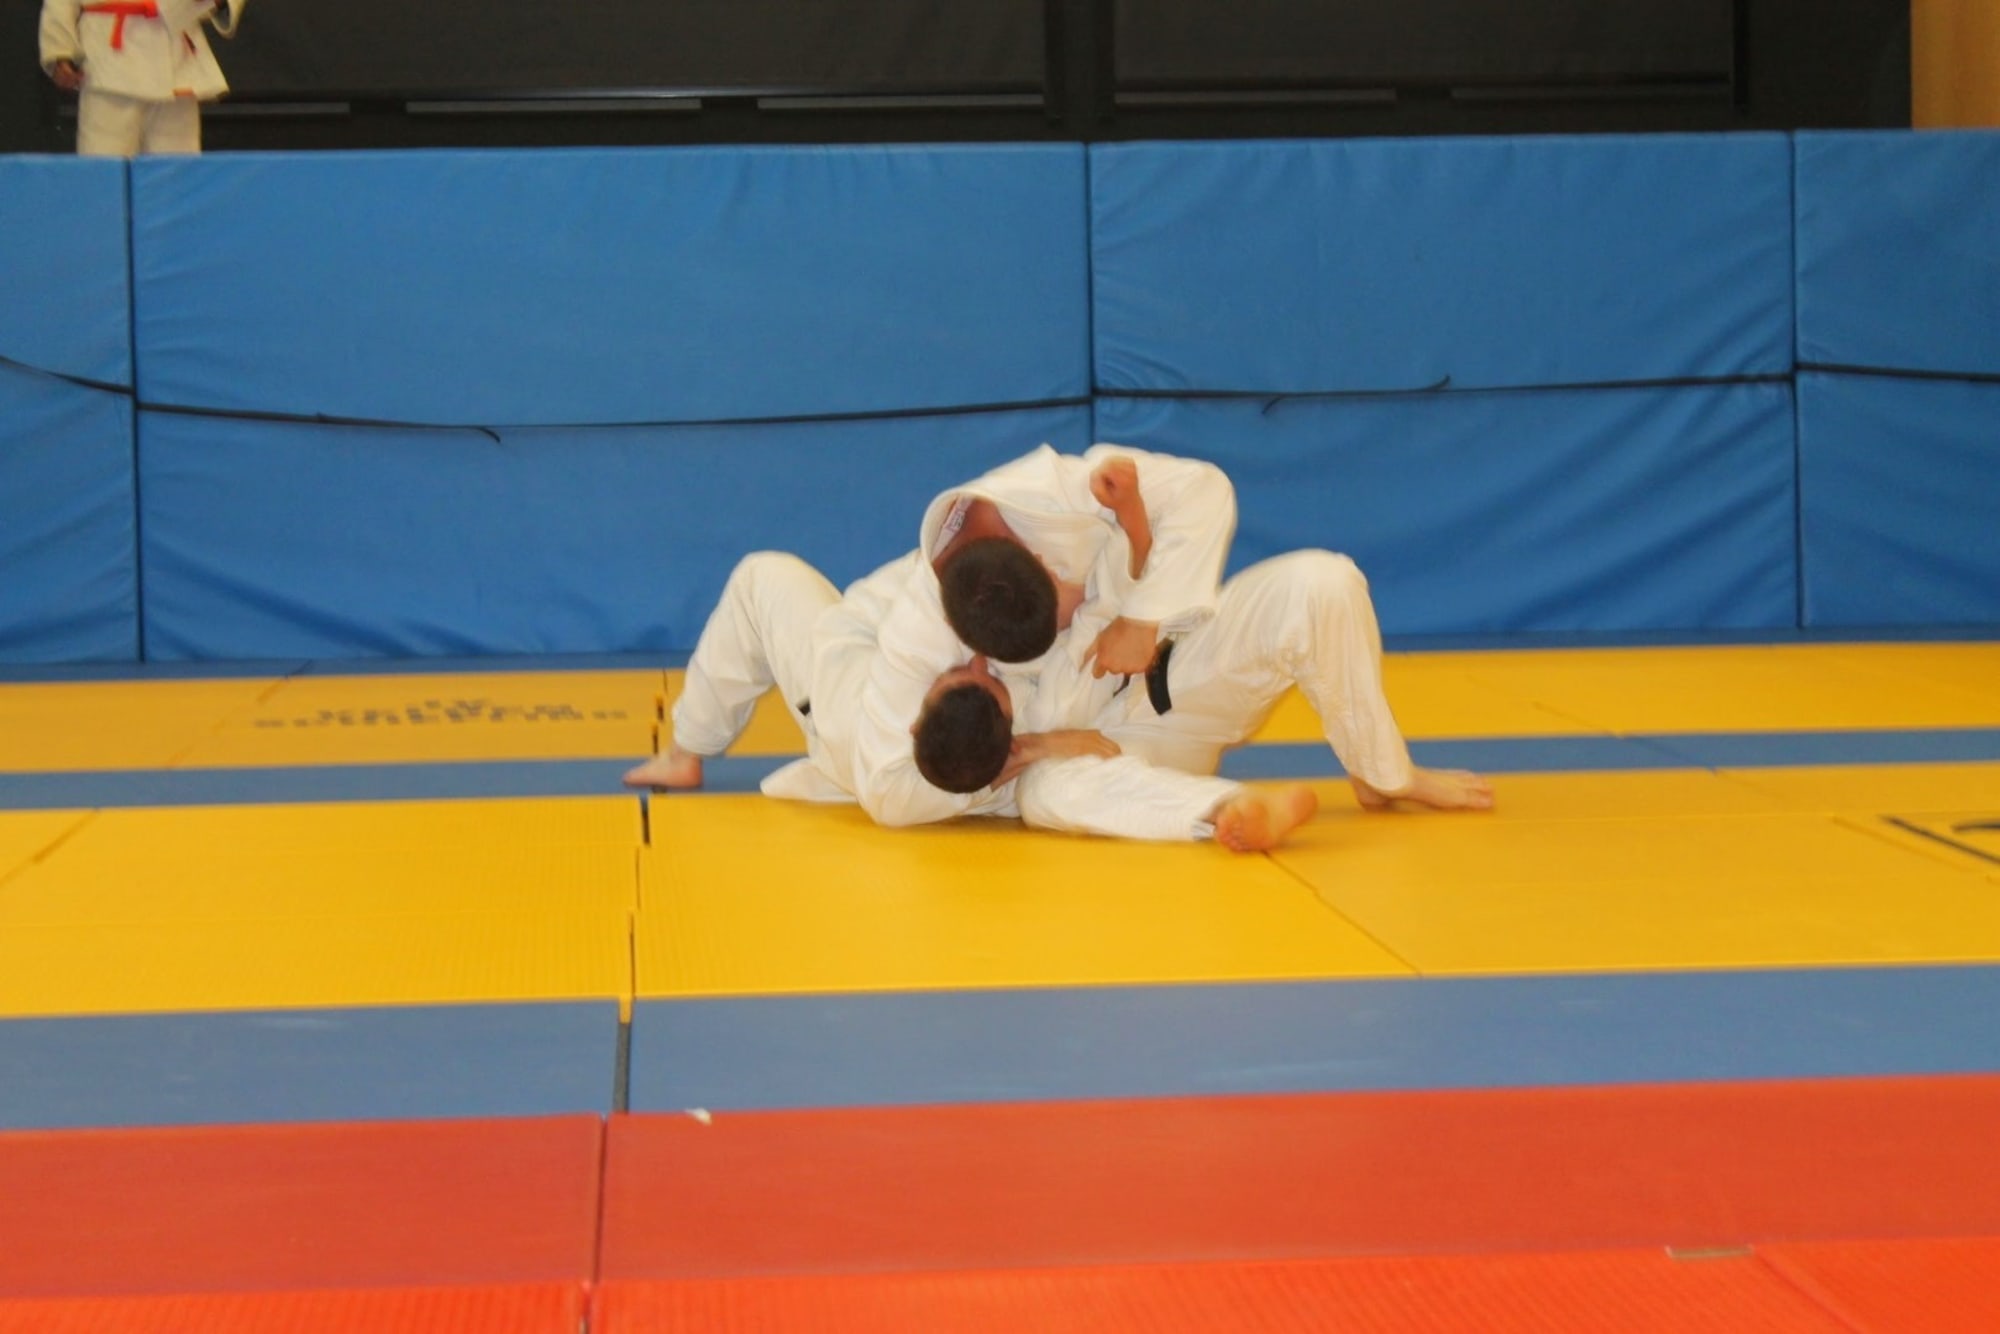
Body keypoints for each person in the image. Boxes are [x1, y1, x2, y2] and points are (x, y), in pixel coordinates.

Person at [40, 0, 247, 157]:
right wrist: (59, 52)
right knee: (103, 164)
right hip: (109, 62)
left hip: (177, 57)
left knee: (177, 169)